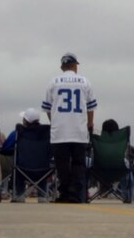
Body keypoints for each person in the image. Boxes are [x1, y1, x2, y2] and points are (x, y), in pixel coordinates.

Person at [42, 52, 97, 203]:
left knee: (62, 164)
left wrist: (55, 122)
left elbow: (47, 108)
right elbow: (91, 107)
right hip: (78, 131)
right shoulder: (85, 82)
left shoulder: (53, 82)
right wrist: (89, 124)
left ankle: (64, 193)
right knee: (79, 163)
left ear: (62, 67)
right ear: (74, 66)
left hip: (59, 131)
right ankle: (75, 193)